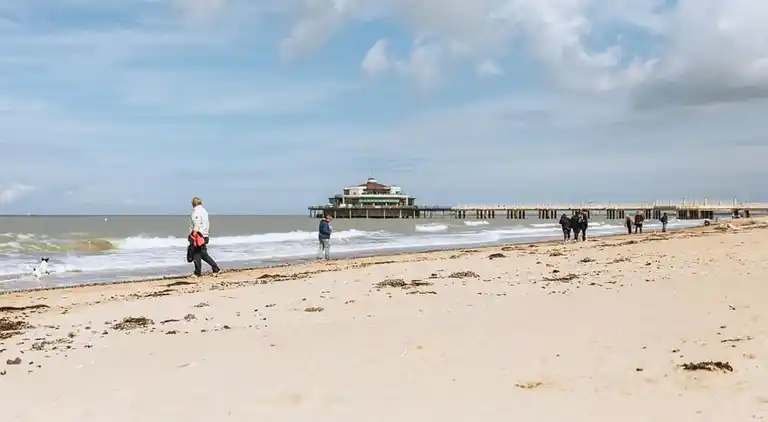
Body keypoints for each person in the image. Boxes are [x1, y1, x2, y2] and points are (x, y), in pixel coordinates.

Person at [187, 196, 220, 277]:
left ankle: (197, 272)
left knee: (196, 254)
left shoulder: (196, 212)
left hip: (198, 235)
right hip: (205, 235)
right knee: (203, 254)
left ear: (193, 204)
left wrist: (193, 235)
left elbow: (197, 224)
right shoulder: (204, 211)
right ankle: (215, 268)